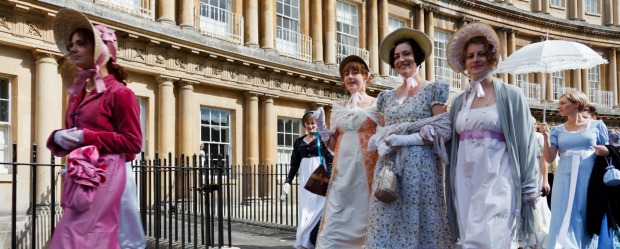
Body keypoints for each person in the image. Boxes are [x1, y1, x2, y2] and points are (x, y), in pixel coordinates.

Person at [47, 9, 144, 249]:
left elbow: (132, 144)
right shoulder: (77, 94)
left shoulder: (121, 94)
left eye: (80, 43)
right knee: (80, 237)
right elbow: (73, 134)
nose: (72, 49)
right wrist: (59, 137)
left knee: (78, 238)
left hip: (107, 173)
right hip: (79, 177)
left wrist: (86, 137)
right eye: (71, 44)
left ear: (100, 50)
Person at [445, 22, 539, 248]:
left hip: (498, 177)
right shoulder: (459, 101)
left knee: (491, 238)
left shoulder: (511, 95)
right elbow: (450, 141)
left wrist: (529, 185)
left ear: (492, 58)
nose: (475, 60)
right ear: (464, 63)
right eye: (470, 56)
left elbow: (525, 143)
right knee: (468, 239)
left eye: (481, 54)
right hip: (465, 179)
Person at [364, 27, 453, 248]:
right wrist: (379, 142)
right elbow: (381, 131)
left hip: (420, 171)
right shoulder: (386, 97)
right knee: (386, 222)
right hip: (389, 170)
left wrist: (407, 139)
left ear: (418, 57)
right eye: (396, 56)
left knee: (418, 223)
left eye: (406, 54)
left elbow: (443, 129)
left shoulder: (433, 90)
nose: (401, 59)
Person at [315, 55, 381, 248]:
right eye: (346, 74)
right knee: (331, 231)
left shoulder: (378, 104)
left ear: (367, 76)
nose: (350, 77)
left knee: (366, 228)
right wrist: (322, 128)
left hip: (366, 177)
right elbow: (333, 144)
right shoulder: (338, 108)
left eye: (355, 72)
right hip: (341, 176)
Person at [540, 91, 609, 248]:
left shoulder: (597, 125)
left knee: (585, 212)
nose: (559, 106)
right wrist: (545, 137)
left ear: (577, 104)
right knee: (561, 212)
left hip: (589, 175)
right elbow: (549, 158)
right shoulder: (557, 130)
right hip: (564, 175)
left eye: (563, 103)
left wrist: (605, 150)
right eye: (559, 103)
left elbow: (607, 151)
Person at [281, 110, 333, 249]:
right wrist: (288, 180)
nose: (311, 126)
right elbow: (294, 163)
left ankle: (312, 241)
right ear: (304, 124)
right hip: (305, 179)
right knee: (305, 209)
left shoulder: (323, 140)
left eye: (313, 123)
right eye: (308, 123)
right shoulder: (299, 142)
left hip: (319, 178)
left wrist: (329, 180)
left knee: (318, 209)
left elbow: (329, 161)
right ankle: (303, 241)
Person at [531, 116, 551, 248]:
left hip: (536, 177)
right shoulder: (518, 136)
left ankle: (541, 242)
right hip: (521, 178)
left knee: (538, 208)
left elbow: (543, 162)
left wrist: (545, 181)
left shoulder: (538, 137)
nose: (532, 126)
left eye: (533, 124)